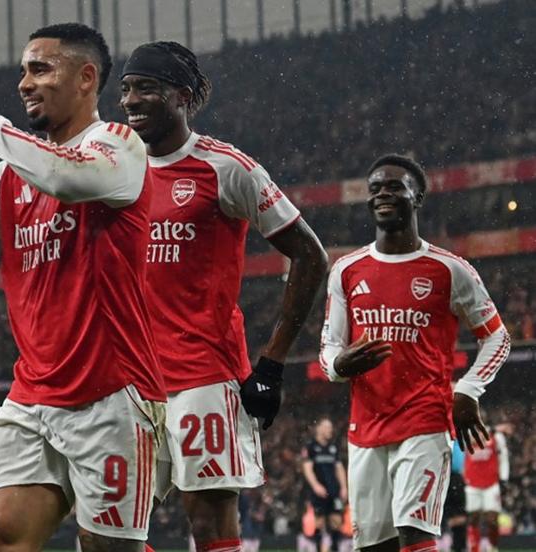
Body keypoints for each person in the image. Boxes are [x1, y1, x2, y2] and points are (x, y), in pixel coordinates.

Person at [0, 23, 166, 552]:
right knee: (3, 539)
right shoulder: (9, 177)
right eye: (23, 71)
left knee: (107, 548)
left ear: (86, 78)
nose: (24, 83)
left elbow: (65, 177)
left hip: (111, 393)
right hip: (34, 394)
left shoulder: (120, 146)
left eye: (40, 69)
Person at [119, 41, 328, 552]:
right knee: (106, 528)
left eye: (145, 87)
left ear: (182, 96)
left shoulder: (225, 167)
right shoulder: (114, 168)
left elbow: (309, 255)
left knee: (211, 526)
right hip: (129, 379)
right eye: (125, 88)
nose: (129, 100)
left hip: (203, 377)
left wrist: (272, 364)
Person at [319, 154, 511, 552]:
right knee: (374, 546)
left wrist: (468, 390)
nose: (382, 195)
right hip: (366, 426)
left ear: (417, 197)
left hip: (425, 420)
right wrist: (338, 365)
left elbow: (497, 338)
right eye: (375, 189)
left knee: (415, 536)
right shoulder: (346, 270)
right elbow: (329, 347)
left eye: (394, 187)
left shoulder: (450, 269)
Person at [302, 417, 348, 552]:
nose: (330, 430)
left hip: (333, 489)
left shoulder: (333, 447)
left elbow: (339, 468)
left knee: (336, 521)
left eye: (331, 427)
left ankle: (335, 549)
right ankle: (318, 549)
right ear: (319, 429)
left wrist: (344, 487)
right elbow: (307, 468)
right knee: (319, 522)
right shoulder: (311, 447)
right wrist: (315, 485)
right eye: (327, 427)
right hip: (318, 491)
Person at [464, 419, 510, 552]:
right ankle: (474, 548)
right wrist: (493, 429)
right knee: (473, 517)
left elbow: (503, 457)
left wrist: (504, 479)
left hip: (491, 483)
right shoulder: (467, 434)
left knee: (492, 519)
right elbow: (468, 438)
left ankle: (493, 547)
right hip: (472, 483)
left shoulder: (497, 437)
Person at [443, 438, 467, 552]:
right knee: (448, 512)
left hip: (454, 477)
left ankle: (456, 544)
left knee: (456, 513)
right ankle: (452, 542)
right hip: (447, 475)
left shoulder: (457, 437)